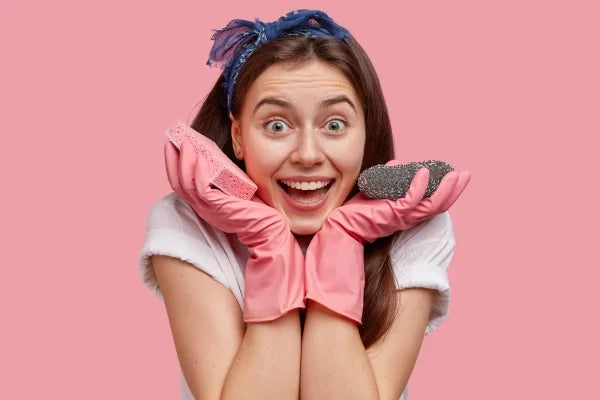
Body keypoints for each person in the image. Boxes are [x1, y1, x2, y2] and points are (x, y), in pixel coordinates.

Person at [139, 9, 471, 400]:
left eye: (334, 125)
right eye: (276, 125)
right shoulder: (184, 224)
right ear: (238, 135)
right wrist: (270, 243)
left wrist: (342, 241)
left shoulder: (416, 228)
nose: (308, 154)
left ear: (366, 131)